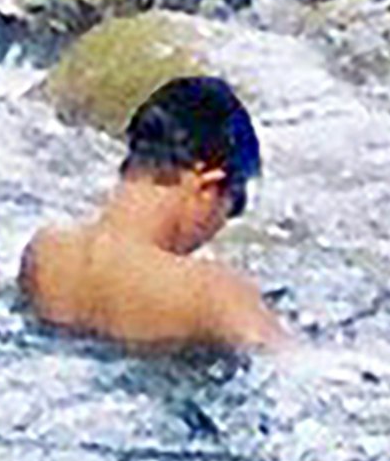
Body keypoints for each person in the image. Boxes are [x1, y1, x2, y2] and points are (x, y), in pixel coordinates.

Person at [16, 72, 282, 360]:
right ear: (208, 185)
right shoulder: (210, 294)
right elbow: (301, 372)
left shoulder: (45, 253)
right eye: (234, 205)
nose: (220, 226)